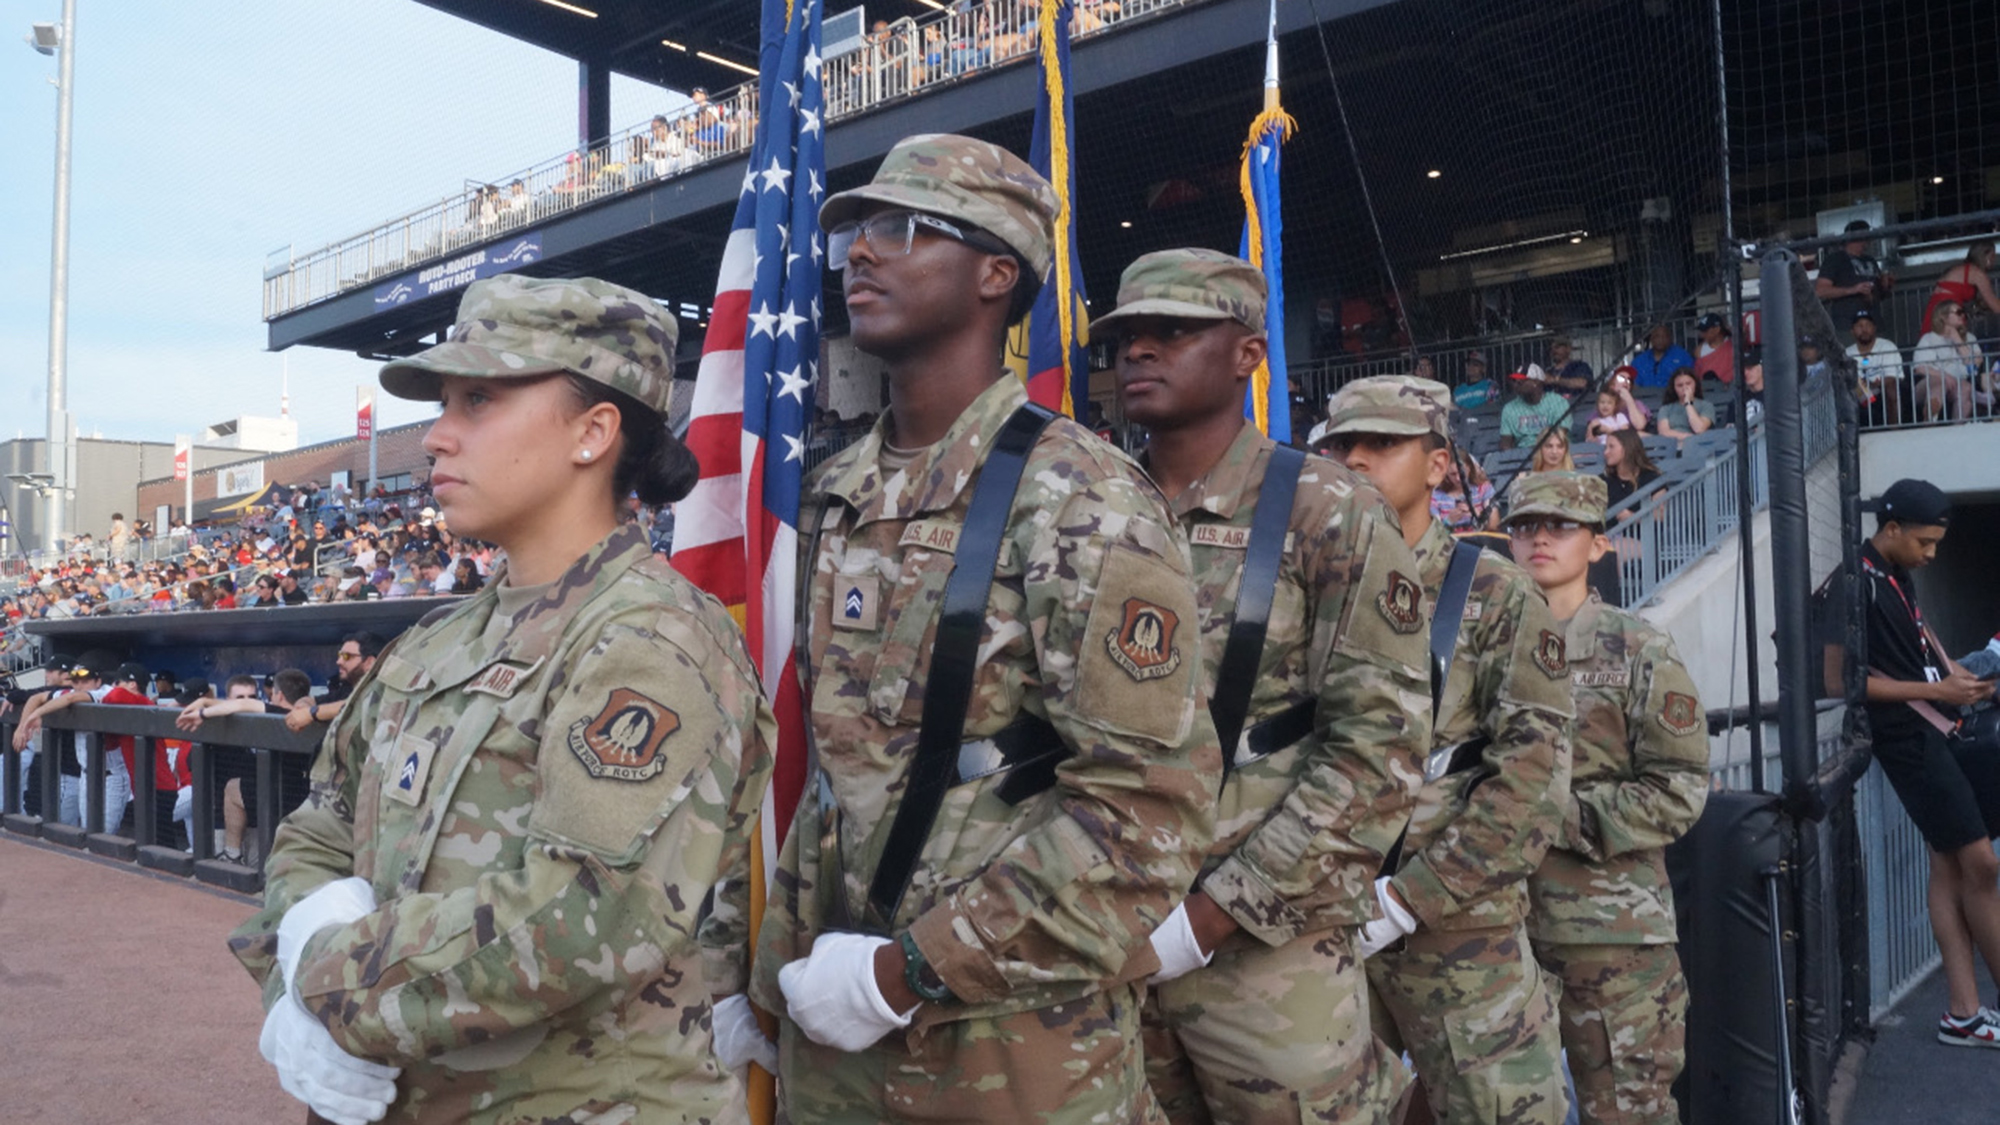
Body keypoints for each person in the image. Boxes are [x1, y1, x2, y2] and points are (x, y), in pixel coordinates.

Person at [226, 274, 777, 1125]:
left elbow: (576, 921)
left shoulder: (653, 643)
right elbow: (320, 822)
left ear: (594, 432)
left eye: (478, 400)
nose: (437, 438)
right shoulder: (438, 639)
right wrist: (290, 962)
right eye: (444, 403)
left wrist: (321, 978)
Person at [752, 134, 1218, 1124]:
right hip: (831, 1038)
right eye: (853, 235)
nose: (861, 254)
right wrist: (766, 979)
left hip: (1008, 1055)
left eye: (900, 228)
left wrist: (906, 972)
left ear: (995, 274)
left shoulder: (1078, 497)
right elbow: (835, 777)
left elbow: (1148, 808)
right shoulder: (838, 492)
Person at [1104, 248, 1430, 1123]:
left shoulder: (1324, 507)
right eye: (1128, 335)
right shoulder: (1089, 504)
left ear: (1249, 353)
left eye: (1171, 331)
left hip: (1266, 950)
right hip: (1108, 930)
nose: (1139, 351)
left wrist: (1214, 915)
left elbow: (1382, 750)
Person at [1324, 376, 1576, 1124]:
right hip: (1323, 924)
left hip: (1458, 933)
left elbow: (1532, 779)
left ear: (1437, 465)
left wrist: (1409, 897)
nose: (1357, 461)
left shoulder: (1494, 591)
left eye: (1383, 444)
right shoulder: (1308, 583)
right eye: (1342, 446)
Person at [1505, 472, 1709, 1124]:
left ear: (1597, 544)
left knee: (1625, 1111)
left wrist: (1555, 816)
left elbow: (1679, 786)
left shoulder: (1637, 646)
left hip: (1610, 934)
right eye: (1525, 525)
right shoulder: (1484, 647)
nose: (1539, 537)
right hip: (1497, 932)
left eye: (1560, 525)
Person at [1820, 479, 2000, 1047]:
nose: (1931, 554)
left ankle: (1964, 1015)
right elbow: (1837, 680)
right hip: (1909, 740)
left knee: (1952, 869)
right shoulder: (1851, 581)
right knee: (1983, 868)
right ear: (1891, 529)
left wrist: (1957, 681)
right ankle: (1969, 1011)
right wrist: (1939, 694)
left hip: (1935, 729)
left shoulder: (1894, 574)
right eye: (1924, 543)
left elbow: (1922, 638)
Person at [179, 669, 314, 865]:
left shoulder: (280, 716)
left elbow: (243, 706)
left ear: (279, 695)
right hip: (295, 805)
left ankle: (232, 856)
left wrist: (203, 709)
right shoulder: (311, 717)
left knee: (234, 789)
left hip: (274, 805)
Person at [284, 632, 384, 733]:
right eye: (340, 655)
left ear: (369, 662)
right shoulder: (345, 689)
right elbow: (311, 700)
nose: (339, 661)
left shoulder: (381, 688)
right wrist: (302, 707)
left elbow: (357, 705)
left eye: (347, 656)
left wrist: (312, 713)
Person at [1815, 219, 1895, 328]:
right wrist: (1853, 290)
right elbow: (1821, 291)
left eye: (1867, 238)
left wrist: (1886, 285)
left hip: (1873, 322)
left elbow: (1879, 295)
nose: (1867, 242)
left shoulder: (1870, 260)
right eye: (1863, 237)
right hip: (1847, 324)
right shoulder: (1835, 259)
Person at [1912, 300, 1981, 420]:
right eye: (1958, 312)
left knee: (1966, 388)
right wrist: (1945, 376)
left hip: (1959, 383)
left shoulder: (1970, 338)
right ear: (1943, 317)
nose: (1963, 315)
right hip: (1928, 383)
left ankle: (1957, 431)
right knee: (1940, 383)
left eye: (1963, 312)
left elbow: (1974, 366)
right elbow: (1920, 368)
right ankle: (1929, 422)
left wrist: (1958, 341)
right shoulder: (1929, 338)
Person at [1922, 240, 2000, 339]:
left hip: (1937, 308)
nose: (1993, 260)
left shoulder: (1963, 268)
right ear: (1985, 256)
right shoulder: (1977, 274)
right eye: (1992, 256)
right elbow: (1995, 306)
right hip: (1948, 312)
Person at [1846, 309, 1907, 427]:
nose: (1864, 329)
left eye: (1868, 325)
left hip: (1885, 390)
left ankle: (1894, 430)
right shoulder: (1847, 353)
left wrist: (1875, 385)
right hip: (1863, 394)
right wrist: (1867, 386)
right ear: (1852, 331)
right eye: (1859, 326)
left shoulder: (1887, 346)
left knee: (1890, 388)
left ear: (1874, 328)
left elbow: (1892, 377)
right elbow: (1852, 382)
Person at [1499, 364, 1573, 450]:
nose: (1517, 384)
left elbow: (1561, 435)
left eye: (1522, 380)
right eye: (1515, 381)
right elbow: (1505, 443)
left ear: (1536, 382)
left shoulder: (1558, 402)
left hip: (1554, 452)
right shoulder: (1509, 408)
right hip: (1523, 456)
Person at [1601, 430, 1663, 517]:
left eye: (1611, 447)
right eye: (1605, 447)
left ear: (1627, 447)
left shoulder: (1651, 478)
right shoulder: (1602, 481)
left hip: (1643, 530)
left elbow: (1660, 516)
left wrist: (1632, 518)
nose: (1605, 452)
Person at [1629, 324, 1694, 389]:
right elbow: (1634, 386)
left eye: (1664, 336)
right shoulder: (1639, 361)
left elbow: (1691, 380)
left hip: (1675, 397)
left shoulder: (1682, 356)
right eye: (1657, 336)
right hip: (1646, 398)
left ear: (1670, 338)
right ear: (1651, 339)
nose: (1660, 340)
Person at [1655, 369, 1715, 438]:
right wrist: (1687, 437)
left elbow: (1699, 429)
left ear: (1695, 384)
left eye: (1688, 383)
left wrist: (1688, 403)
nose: (1685, 388)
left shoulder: (1706, 406)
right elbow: (1663, 432)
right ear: (1674, 388)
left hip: (1698, 445)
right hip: (1673, 444)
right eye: (1680, 385)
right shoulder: (1666, 408)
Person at [1692, 312, 1735, 383]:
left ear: (1717, 329)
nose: (1702, 335)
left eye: (1705, 331)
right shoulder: (1699, 350)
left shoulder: (1733, 345)